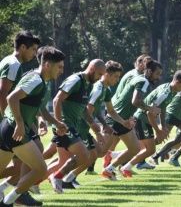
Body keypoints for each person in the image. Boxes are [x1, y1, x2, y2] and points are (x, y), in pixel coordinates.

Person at [0, 47, 67, 206]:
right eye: (59, 67)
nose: (62, 71)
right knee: (40, 169)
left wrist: (56, 123)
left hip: (6, 128)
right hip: (13, 129)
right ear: (47, 65)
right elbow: (12, 98)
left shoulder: (40, 80)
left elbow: (38, 106)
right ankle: (9, 201)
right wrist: (20, 123)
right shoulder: (36, 79)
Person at [48, 59, 106, 194]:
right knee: (85, 155)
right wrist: (58, 124)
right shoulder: (75, 80)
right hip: (65, 126)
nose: (100, 78)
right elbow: (57, 99)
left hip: (71, 126)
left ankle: (29, 184)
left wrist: (93, 124)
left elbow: (84, 108)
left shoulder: (89, 84)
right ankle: (56, 177)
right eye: (99, 74)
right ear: (91, 69)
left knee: (61, 161)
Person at [120, 70, 181, 176]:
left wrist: (162, 125)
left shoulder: (172, 91)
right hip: (142, 119)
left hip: (144, 119)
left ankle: (119, 162)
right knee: (149, 149)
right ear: (177, 82)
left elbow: (163, 108)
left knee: (141, 148)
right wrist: (158, 131)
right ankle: (124, 167)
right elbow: (149, 112)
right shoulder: (164, 93)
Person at [73, 60, 135, 178]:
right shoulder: (98, 89)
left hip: (84, 126)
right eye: (116, 76)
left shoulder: (106, 89)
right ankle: (66, 177)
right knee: (89, 154)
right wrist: (97, 132)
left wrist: (123, 122)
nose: (117, 80)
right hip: (79, 126)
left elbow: (110, 111)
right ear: (107, 75)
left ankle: (66, 177)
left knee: (98, 153)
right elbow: (88, 110)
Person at [102, 59, 162, 179]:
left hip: (124, 120)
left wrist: (130, 118)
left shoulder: (140, 79)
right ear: (149, 71)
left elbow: (129, 101)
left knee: (134, 149)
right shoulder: (143, 81)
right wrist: (151, 109)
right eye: (157, 74)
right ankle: (64, 169)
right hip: (115, 119)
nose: (158, 77)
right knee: (98, 152)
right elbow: (136, 101)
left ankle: (109, 170)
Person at [0, 31, 41, 206]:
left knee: (20, 165)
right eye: (32, 49)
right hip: (6, 121)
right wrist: (9, 120)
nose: (34, 54)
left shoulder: (7, 61)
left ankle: (16, 192)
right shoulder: (14, 64)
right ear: (22, 47)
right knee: (29, 162)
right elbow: (3, 93)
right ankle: (19, 194)